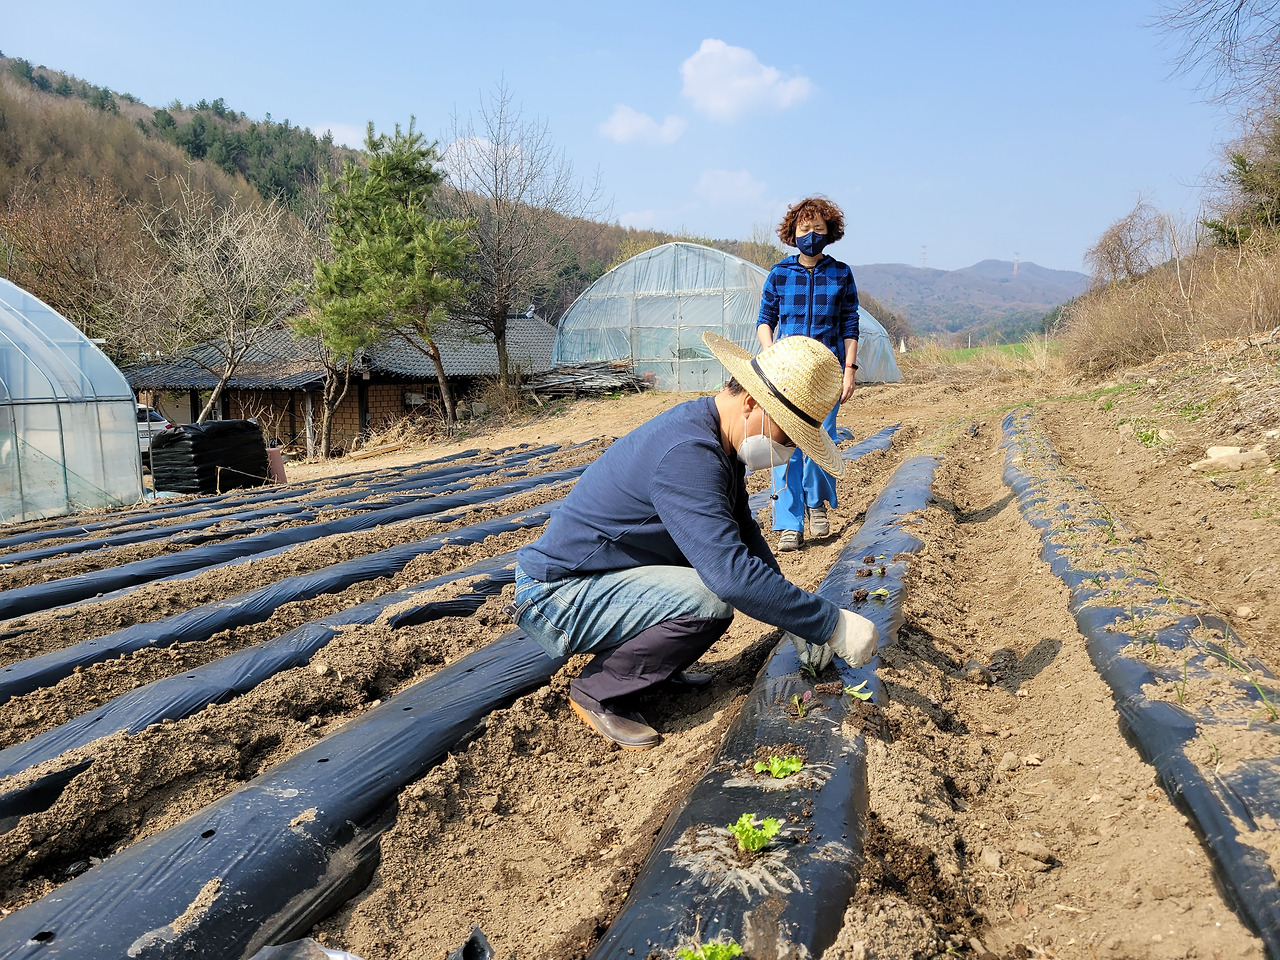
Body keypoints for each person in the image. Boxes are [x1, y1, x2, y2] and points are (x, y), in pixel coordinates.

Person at [510, 333, 880, 750]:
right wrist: (830, 623)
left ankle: (655, 670)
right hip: (557, 595)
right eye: (788, 437)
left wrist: (794, 618)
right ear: (752, 404)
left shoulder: (715, 439)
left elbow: (744, 535)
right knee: (712, 596)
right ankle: (600, 690)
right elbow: (732, 577)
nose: (787, 451)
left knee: (708, 566)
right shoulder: (689, 454)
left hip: (604, 577)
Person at [757, 196, 860, 551]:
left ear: (829, 232)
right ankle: (789, 521)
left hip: (827, 373)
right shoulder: (780, 274)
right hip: (787, 372)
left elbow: (850, 323)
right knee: (785, 443)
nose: (811, 234)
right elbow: (764, 321)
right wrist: (770, 354)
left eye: (818, 228)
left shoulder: (841, 273)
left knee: (822, 438)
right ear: (792, 233)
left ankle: (815, 505)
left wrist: (849, 369)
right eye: (805, 228)